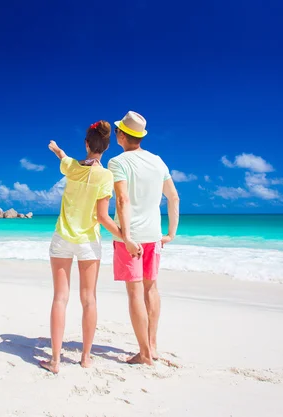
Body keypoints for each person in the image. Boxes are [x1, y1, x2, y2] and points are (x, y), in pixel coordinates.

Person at [40, 120, 122, 374]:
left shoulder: (71, 168)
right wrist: (124, 238)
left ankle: (54, 361)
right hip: (88, 242)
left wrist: (56, 149)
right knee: (89, 300)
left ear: (87, 143)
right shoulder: (106, 176)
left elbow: (64, 158)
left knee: (60, 298)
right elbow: (102, 216)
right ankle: (85, 357)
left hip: (62, 238)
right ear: (106, 147)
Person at [107, 111, 180, 366]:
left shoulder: (117, 162)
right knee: (152, 289)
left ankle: (145, 354)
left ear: (123, 135)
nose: (116, 133)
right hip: (153, 237)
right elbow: (174, 198)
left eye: (117, 130)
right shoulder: (158, 161)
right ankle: (153, 346)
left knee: (135, 293)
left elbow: (122, 199)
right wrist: (171, 233)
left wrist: (125, 236)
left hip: (132, 239)